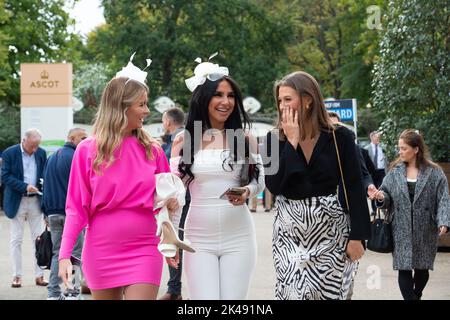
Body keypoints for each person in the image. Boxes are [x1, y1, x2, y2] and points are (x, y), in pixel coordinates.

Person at [58, 55, 179, 300]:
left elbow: (164, 204)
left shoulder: (153, 150)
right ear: (121, 106)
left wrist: (169, 242)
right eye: (142, 104)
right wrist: (64, 255)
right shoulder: (86, 150)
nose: (147, 111)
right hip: (101, 250)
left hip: (145, 247)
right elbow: (76, 208)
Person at [264, 71, 370, 300]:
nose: (282, 106)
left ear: (308, 99)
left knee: (329, 295)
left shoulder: (340, 137)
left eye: (288, 99)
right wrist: (291, 142)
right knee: (292, 293)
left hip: (331, 232)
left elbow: (354, 186)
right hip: (289, 233)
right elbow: (273, 185)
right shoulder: (273, 138)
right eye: (280, 100)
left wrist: (358, 236)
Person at [170, 57, 265, 299]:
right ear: (204, 98)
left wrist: (247, 192)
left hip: (240, 237)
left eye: (231, 95)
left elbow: (259, 182)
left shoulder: (245, 138)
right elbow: (173, 193)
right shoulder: (183, 141)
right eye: (219, 95)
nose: (226, 102)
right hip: (198, 238)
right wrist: (169, 236)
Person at [369, 129, 450, 300]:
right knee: (403, 267)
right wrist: (380, 196)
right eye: (399, 148)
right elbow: (385, 195)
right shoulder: (395, 171)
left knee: (422, 270)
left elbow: (443, 199)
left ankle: (417, 295)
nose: (400, 152)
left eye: (404, 148)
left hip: (426, 228)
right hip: (400, 227)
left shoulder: (435, 173)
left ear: (416, 149)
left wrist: (444, 221)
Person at [42, 128, 87, 300]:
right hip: (71, 214)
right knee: (75, 254)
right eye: (82, 138)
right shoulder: (76, 157)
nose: (85, 141)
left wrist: (45, 212)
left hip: (53, 213)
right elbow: (82, 187)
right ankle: (72, 292)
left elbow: (44, 185)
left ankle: (53, 294)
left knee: (58, 253)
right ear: (72, 138)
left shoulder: (52, 157)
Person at [1, 128, 48, 288]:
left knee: (39, 239)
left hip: (35, 200)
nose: (35, 149)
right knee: (16, 239)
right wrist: (24, 186)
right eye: (32, 146)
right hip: (17, 200)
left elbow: (44, 174)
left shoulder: (41, 153)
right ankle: (16, 276)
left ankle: (39, 275)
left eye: (37, 146)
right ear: (24, 140)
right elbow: (5, 176)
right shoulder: (9, 153)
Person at [159, 106, 188, 300]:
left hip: (181, 198)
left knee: (175, 240)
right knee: (174, 240)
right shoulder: (174, 139)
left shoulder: (181, 138)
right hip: (176, 197)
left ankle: (175, 290)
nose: (163, 124)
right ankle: (174, 288)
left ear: (168, 121)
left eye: (163, 121)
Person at [366, 131, 387, 214]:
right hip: (372, 172)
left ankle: (383, 208)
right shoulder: (367, 148)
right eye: (376, 137)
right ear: (371, 138)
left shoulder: (383, 147)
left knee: (383, 189)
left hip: (382, 171)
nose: (378, 138)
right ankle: (374, 210)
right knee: (373, 189)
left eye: (378, 137)